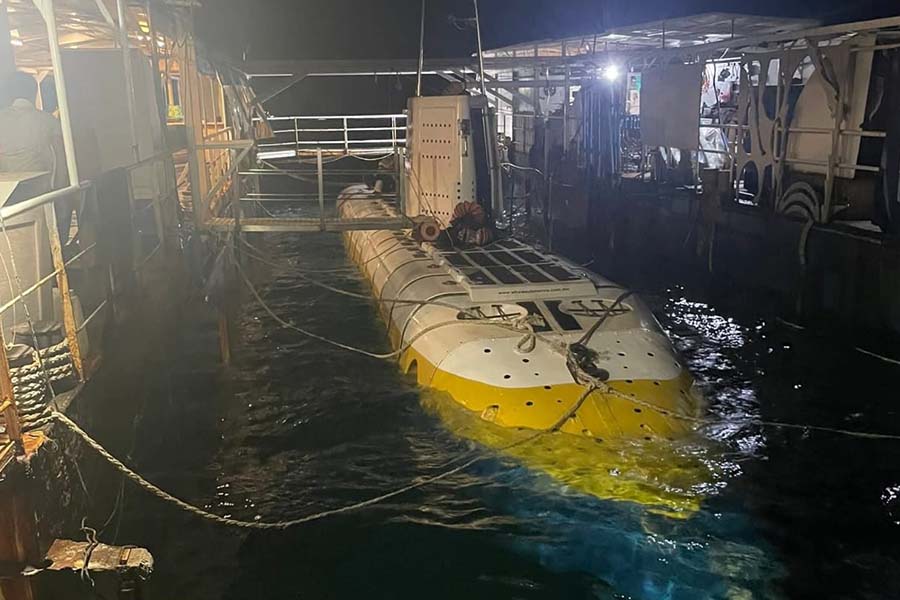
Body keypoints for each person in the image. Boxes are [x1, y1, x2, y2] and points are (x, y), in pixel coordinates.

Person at [0, 71, 67, 189]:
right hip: (40, 190)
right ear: (34, 93)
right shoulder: (49, 121)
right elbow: (62, 159)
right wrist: (61, 190)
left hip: (4, 190)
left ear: (8, 94)